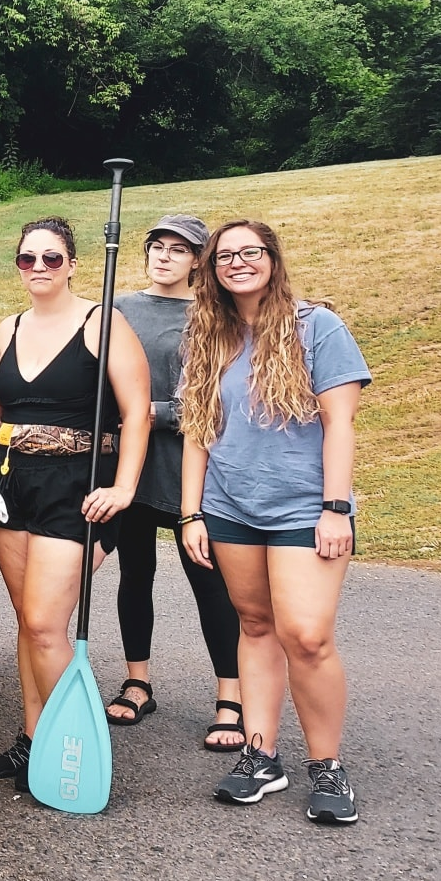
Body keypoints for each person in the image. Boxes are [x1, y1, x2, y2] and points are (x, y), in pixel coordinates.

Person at [177, 220, 370, 825]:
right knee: (256, 625)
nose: (237, 262)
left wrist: (335, 508)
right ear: (210, 271)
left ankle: (327, 765)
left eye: (249, 252)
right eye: (224, 256)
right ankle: (261, 757)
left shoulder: (317, 327)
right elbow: (196, 433)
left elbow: (340, 422)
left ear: (272, 258)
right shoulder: (207, 336)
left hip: (304, 509)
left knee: (306, 636)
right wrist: (191, 512)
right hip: (231, 508)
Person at [0, 216, 151, 793]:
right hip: (10, 480)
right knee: (28, 621)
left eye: (51, 258)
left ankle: (77, 744)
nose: (39, 268)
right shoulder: (8, 326)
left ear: (73, 264)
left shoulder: (101, 322)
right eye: (27, 259)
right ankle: (34, 738)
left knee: (44, 623)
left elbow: (137, 411)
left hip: (80, 486)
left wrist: (125, 488)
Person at [109, 215, 247, 751]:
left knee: (209, 582)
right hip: (131, 469)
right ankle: (138, 681)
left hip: (193, 470)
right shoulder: (117, 309)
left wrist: (149, 411)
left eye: (178, 250)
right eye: (157, 247)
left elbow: (214, 397)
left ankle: (230, 697)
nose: (164, 256)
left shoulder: (214, 316)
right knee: (133, 573)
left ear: (197, 262)